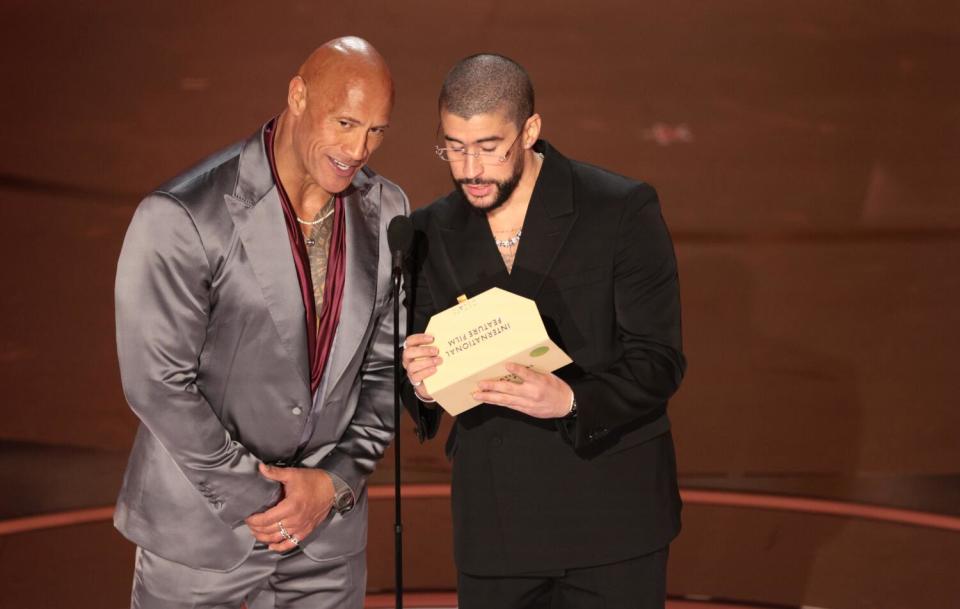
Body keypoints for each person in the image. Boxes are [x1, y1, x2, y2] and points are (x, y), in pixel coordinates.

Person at [114, 37, 406, 609]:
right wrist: (263, 497)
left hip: (327, 540)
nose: (358, 148)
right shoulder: (183, 215)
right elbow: (157, 384)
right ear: (298, 96)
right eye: (345, 122)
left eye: (375, 130)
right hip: (202, 538)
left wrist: (333, 483)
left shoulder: (388, 210)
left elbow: (387, 371)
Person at [401, 53, 687, 609]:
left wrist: (571, 400)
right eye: (454, 147)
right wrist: (418, 382)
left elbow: (659, 359)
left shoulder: (620, 209)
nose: (470, 169)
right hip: (496, 528)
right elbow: (423, 368)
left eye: (489, 147)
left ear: (530, 130)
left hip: (612, 519)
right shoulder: (428, 230)